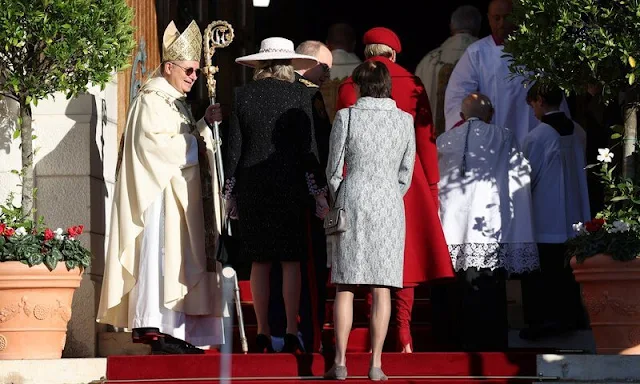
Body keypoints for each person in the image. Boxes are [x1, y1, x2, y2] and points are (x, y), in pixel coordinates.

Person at [97, 21, 226, 354]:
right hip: (161, 202)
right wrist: (195, 142)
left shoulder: (174, 102)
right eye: (188, 70)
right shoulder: (152, 99)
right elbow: (152, 146)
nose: (193, 76)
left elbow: (182, 139)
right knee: (164, 262)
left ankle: (183, 332)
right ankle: (159, 328)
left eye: (197, 71)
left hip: (181, 197)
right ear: (168, 67)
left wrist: (204, 125)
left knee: (182, 266)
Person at [337, 27, 454, 353]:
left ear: (366, 53)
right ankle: (403, 334)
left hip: (361, 181)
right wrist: (431, 188)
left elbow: (345, 144)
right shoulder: (413, 83)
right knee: (405, 261)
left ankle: (374, 333)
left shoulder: (351, 85)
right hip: (406, 182)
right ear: (394, 54)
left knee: (368, 259)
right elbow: (426, 140)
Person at [224, 37, 329, 354]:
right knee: (290, 261)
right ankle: (292, 332)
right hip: (291, 185)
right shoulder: (300, 94)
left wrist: (229, 193)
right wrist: (319, 191)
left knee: (260, 261)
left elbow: (234, 151)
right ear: (288, 65)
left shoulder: (242, 95)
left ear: (260, 65)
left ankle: (263, 332)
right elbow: (309, 149)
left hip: (253, 186)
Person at [324, 61, 415, 381]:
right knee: (382, 286)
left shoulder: (346, 117)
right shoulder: (405, 121)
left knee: (345, 285)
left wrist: (344, 194)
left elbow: (333, 171)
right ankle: (376, 363)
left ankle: (339, 362)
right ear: (387, 85)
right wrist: (389, 194)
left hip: (353, 200)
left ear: (360, 85)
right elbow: (406, 175)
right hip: (389, 203)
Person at [437, 92, 539, 350]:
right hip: (489, 229)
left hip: (451, 230)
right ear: (491, 114)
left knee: (454, 292)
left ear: (461, 116)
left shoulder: (444, 140)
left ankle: (452, 343)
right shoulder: (503, 137)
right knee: (487, 293)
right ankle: (490, 344)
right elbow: (521, 174)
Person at [443, 0, 570, 145]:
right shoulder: (477, 53)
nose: (502, 24)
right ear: (489, 19)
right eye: (496, 18)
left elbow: (553, 96)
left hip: (536, 138)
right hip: (492, 142)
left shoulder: (537, 52)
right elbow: (458, 95)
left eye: (507, 17)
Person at [520, 83, 590, 340]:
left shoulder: (537, 136)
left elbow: (526, 177)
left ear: (539, 100)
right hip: (573, 214)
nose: (533, 111)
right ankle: (571, 318)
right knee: (569, 273)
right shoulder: (578, 131)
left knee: (546, 274)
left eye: (532, 105)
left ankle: (544, 323)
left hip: (546, 215)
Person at [415, 5, 481, 136]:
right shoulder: (485, 57)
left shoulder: (427, 61)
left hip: (433, 143)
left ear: (451, 26)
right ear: (478, 27)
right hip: (475, 143)